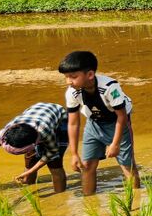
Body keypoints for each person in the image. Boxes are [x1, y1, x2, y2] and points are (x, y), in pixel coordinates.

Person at [58, 51, 139, 195]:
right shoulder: (72, 92)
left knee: (127, 165)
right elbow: (73, 123)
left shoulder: (110, 87)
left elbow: (122, 117)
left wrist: (115, 144)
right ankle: (88, 201)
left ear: (89, 75)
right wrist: (74, 153)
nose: (69, 81)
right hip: (94, 123)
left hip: (118, 123)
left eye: (73, 77)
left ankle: (137, 196)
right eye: (66, 77)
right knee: (87, 165)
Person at [0, 102, 70, 193]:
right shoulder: (5, 133)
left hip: (60, 119)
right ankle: (31, 189)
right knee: (30, 161)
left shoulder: (45, 131)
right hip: (33, 116)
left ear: (34, 142)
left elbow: (52, 152)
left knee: (54, 164)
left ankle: (60, 194)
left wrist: (30, 171)